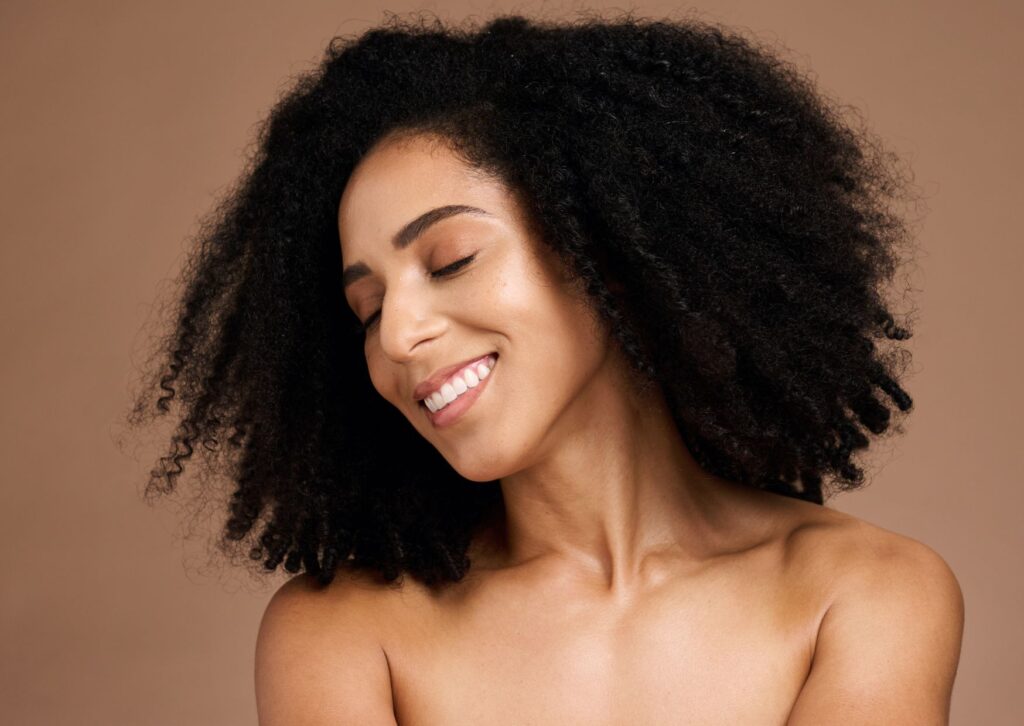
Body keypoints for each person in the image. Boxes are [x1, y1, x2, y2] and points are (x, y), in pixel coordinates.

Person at [127, 11, 964, 724]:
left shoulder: (865, 595)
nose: (397, 338)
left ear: (604, 252)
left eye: (450, 258)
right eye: (368, 309)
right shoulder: (343, 635)